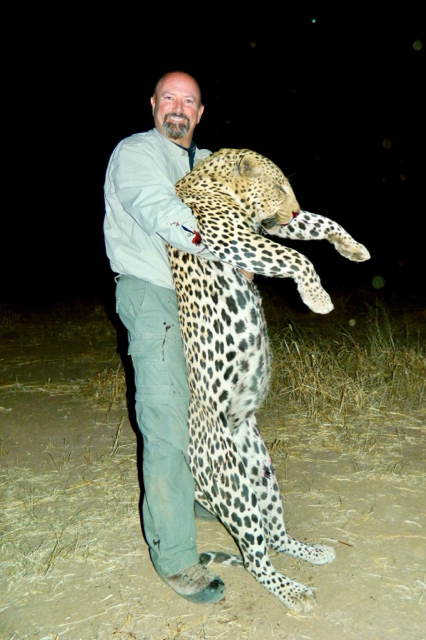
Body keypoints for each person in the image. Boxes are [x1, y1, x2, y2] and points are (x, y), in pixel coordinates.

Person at [103, 71, 226, 604]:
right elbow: (161, 211)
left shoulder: (208, 162)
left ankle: (191, 495)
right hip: (153, 294)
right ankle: (175, 556)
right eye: (169, 98)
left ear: (200, 113)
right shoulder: (136, 153)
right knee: (166, 418)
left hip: (204, 302)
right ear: (153, 105)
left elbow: (244, 209)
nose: (178, 107)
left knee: (203, 410)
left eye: (188, 100)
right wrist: (226, 247)